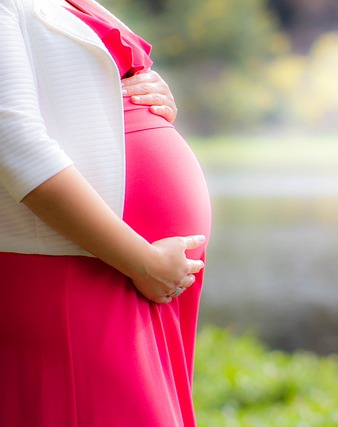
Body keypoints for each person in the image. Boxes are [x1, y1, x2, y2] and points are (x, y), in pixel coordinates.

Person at [0, 0, 212, 425]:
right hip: (81, 267)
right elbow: (13, 143)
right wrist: (141, 261)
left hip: (123, 268)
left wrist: (150, 92)